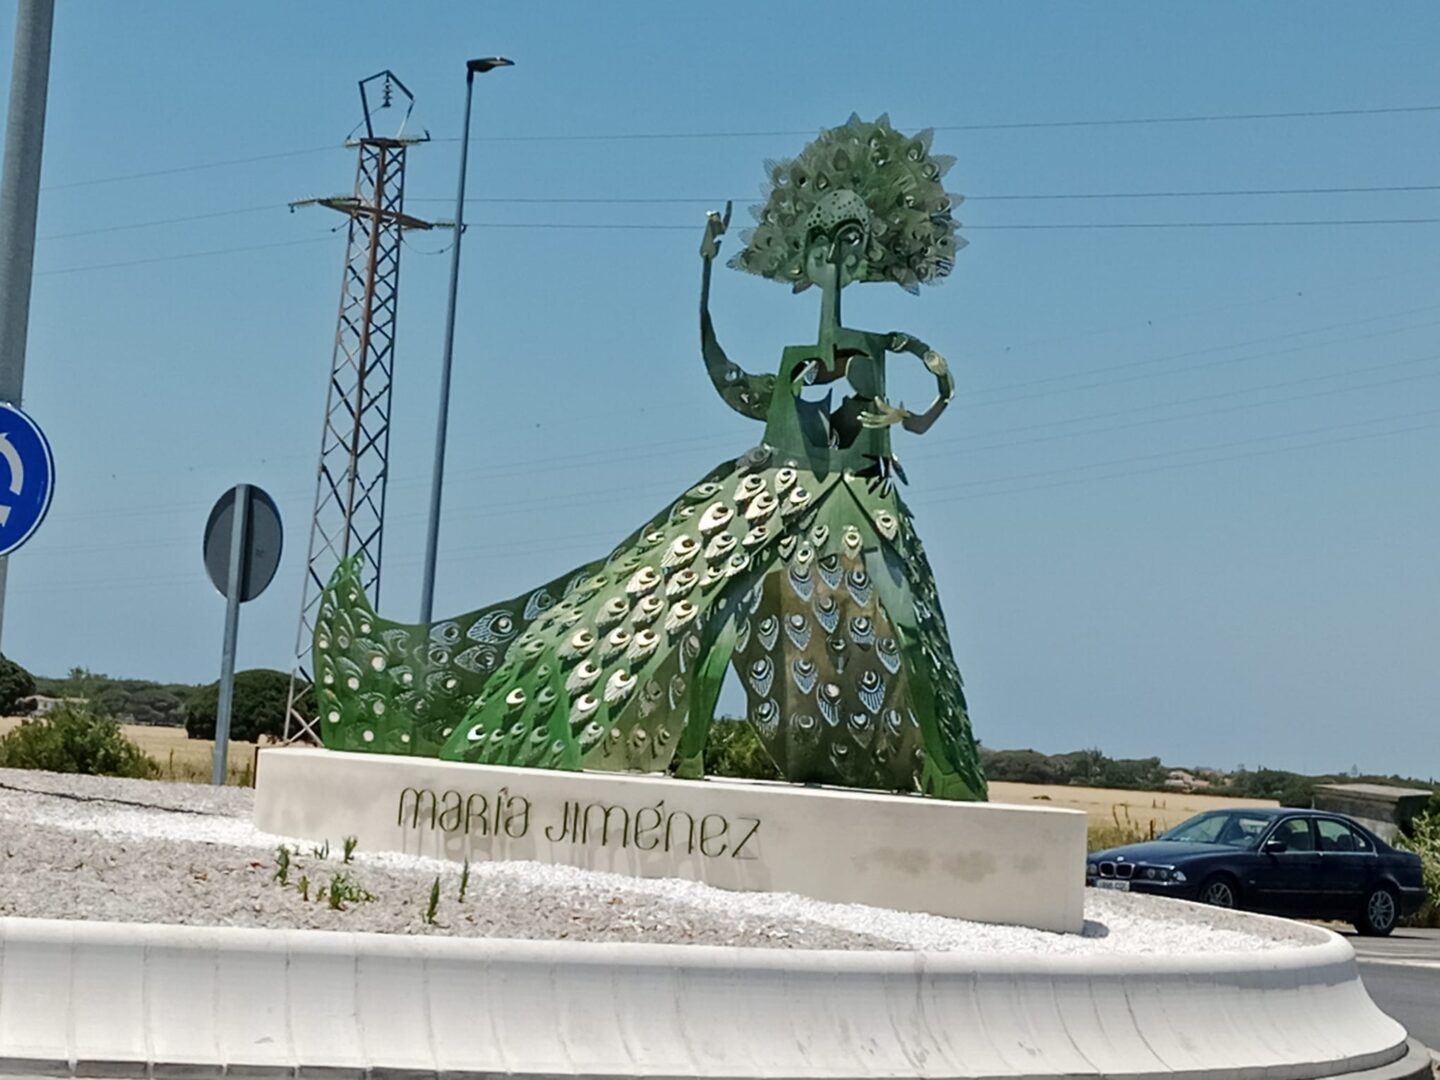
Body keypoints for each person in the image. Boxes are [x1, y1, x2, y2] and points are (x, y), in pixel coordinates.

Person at [313, 115, 986, 800]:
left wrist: (907, 414)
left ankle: (940, 770)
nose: (826, 261)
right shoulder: (801, 364)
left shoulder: (878, 346)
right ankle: (683, 756)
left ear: (858, 246)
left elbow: (940, 383)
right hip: (772, 490)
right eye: (814, 245)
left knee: (898, 624)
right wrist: (703, 273)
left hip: (861, 499)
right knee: (678, 617)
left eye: (837, 245)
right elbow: (729, 377)